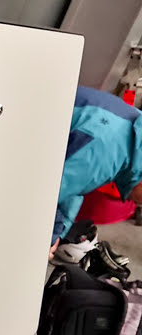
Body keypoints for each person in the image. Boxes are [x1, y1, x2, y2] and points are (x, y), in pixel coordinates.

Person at [52, 85, 142, 268]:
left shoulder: (130, 140)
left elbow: (75, 185)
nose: (138, 205)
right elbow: (46, 194)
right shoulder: (109, 152)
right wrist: (46, 238)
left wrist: (59, 233)